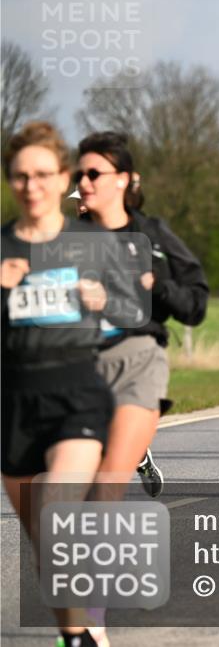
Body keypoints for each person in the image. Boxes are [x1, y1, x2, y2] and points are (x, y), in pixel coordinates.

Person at [2, 121, 143, 647]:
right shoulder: (0, 250)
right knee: (46, 543)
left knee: (59, 515)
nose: (31, 186)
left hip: (78, 395)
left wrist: (105, 302)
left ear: (62, 176)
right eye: (20, 176)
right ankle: (76, 636)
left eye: (42, 174)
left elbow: (135, 312)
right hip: (14, 402)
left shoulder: (93, 243)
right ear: (11, 182)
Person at [77, 132, 209, 499]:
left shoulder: (153, 235)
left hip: (138, 358)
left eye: (94, 174)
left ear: (123, 179)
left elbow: (196, 305)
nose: (84, 184)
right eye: (79, 176)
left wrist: (158, 286)